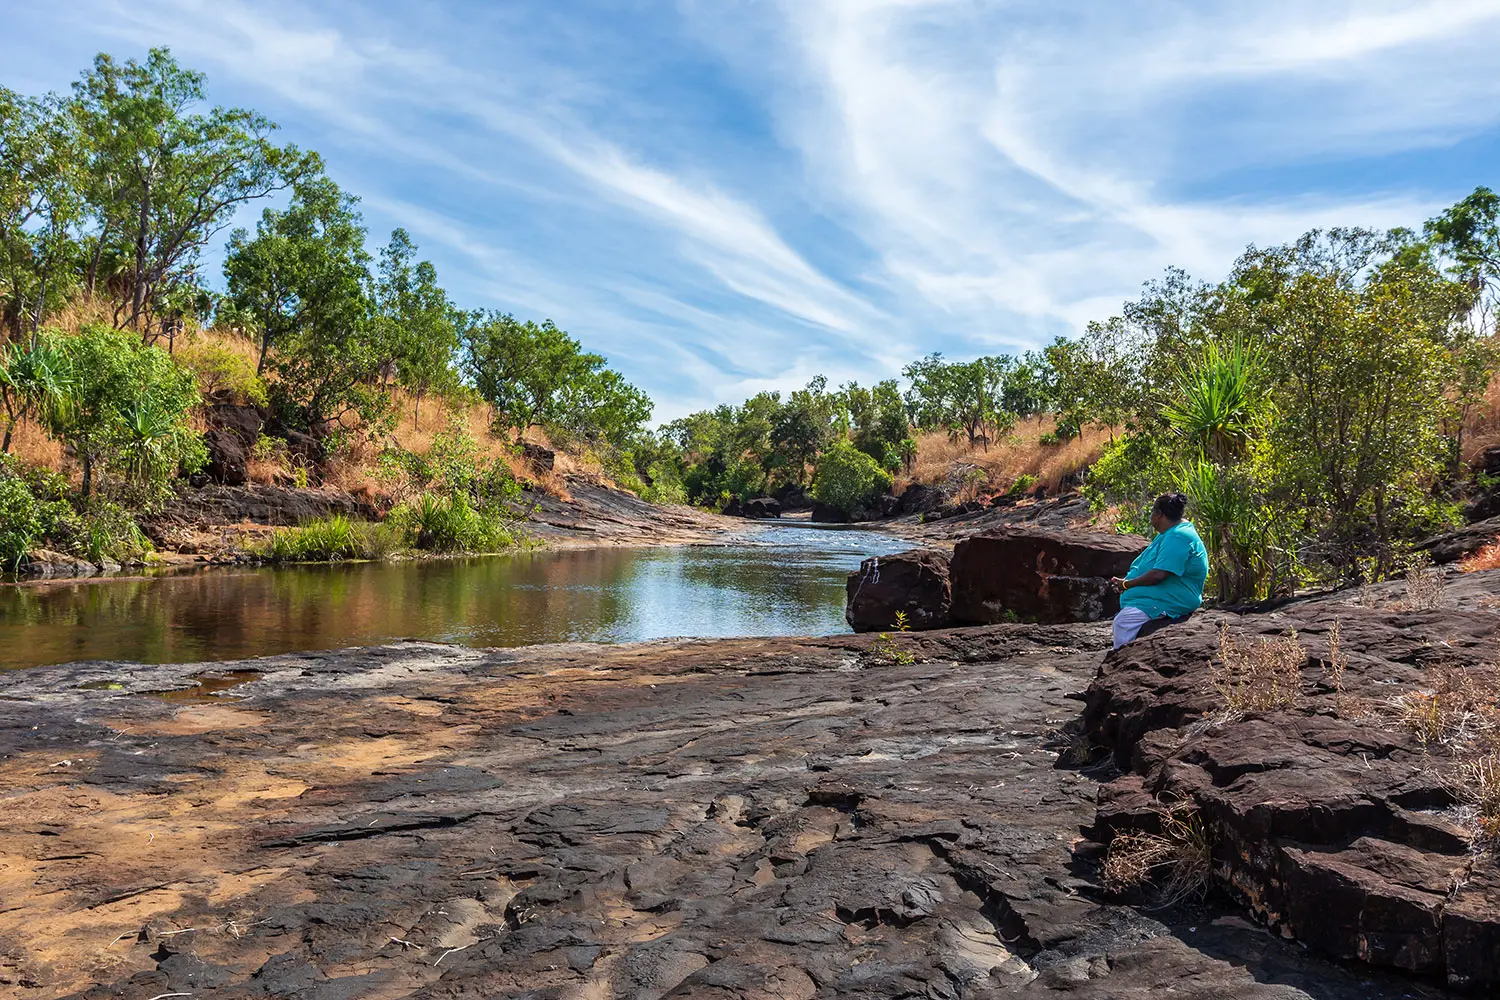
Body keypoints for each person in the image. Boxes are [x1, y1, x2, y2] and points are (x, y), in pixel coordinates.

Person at [1108, 492, 1208, 649]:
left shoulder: (1178, 536)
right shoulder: (1171, 532)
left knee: (1124, 621)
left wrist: (1127, 585)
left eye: (1152, 510)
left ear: (1159, 514)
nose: (1151, 515)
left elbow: (1159, 574)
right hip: (1163, 595)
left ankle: (1119, 661)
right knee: (1124, 619)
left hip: (1174, 599)